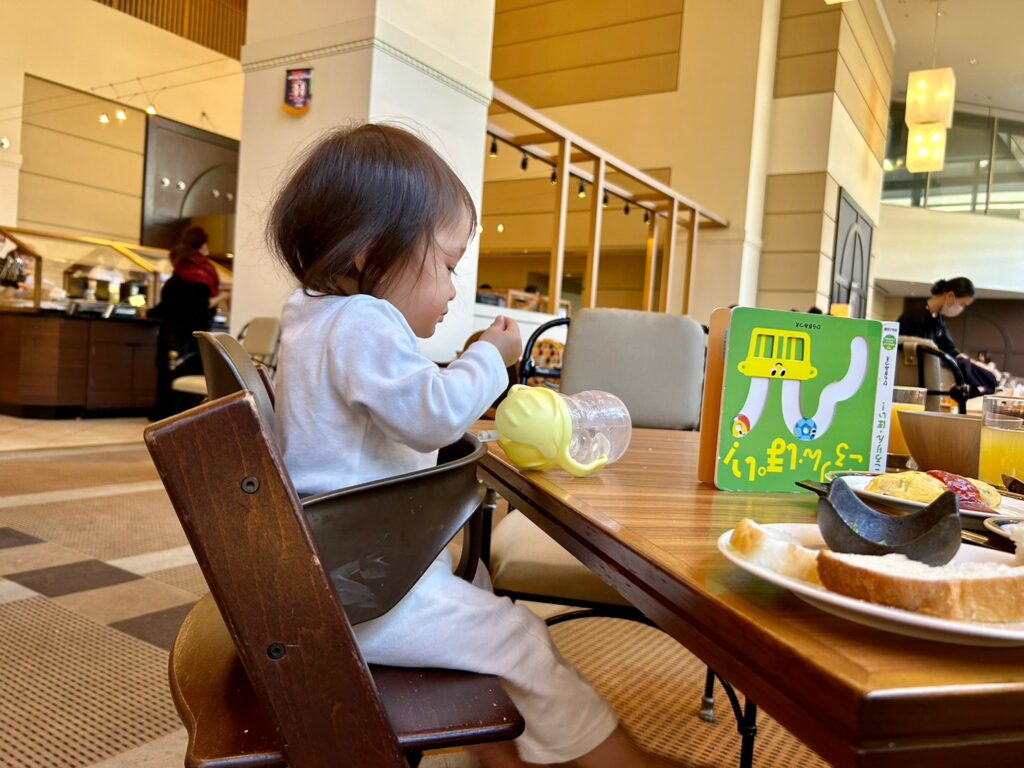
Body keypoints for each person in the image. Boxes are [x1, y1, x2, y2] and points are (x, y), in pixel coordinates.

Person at [268, 124, 682, 768]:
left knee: (481, 596)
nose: (456, 289)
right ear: (372, 253)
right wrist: (490, 355)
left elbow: (397, 408)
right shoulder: (360, 321)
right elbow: (432, 416)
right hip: (361, 589)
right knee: (518, 636)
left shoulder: (311, 317)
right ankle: (621, 763)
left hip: (340, 569)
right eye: (450, 265)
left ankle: (504, 758)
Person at [147, 226, 230, 419]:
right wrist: (224, 296)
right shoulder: (203, 274)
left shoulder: (177, 275)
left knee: (168, 375)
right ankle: (185, 417)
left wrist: (147, 312)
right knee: (189, 373)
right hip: (192, 337)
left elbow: (165, 307)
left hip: (170, 334)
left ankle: (163, 415)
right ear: (201, 247)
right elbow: (203, 304)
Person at [896, 277, 975, 359]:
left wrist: (958, 355)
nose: (962, 309)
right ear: (950, 296)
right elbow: (904, 344)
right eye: (962, 304)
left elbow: (947, 344)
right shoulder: (915, 315)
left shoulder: (939, 318)